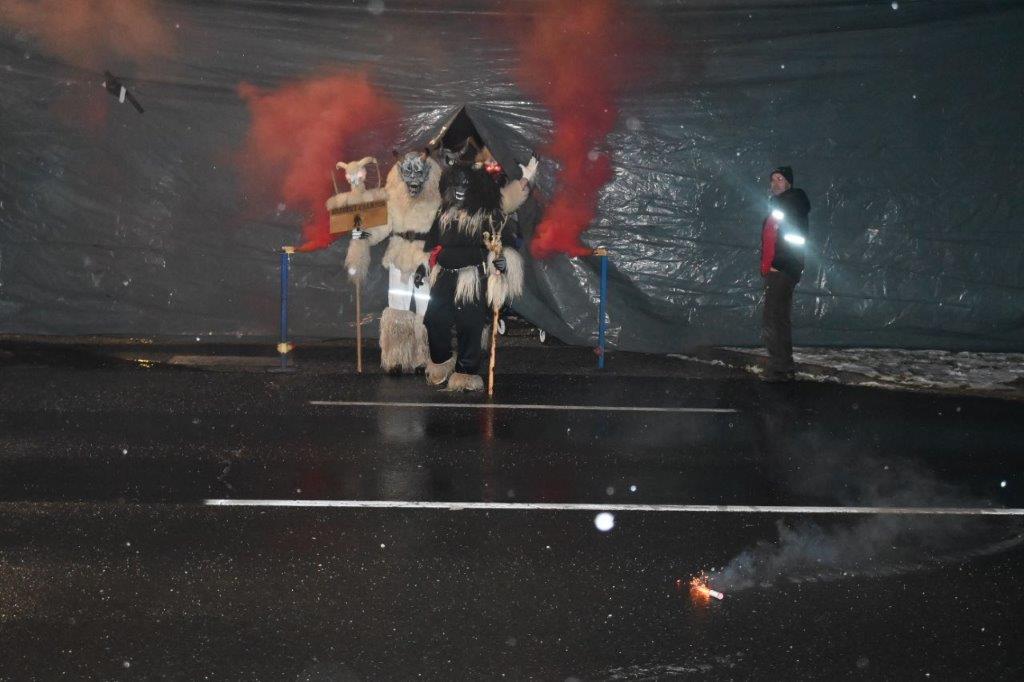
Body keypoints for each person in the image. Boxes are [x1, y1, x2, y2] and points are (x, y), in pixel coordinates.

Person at [760, 165, 810, 382]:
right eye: (773, 179)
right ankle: (783, 365)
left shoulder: (792, 203)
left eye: (780, 179)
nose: (775, 183)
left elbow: (794, 237)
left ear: (789, 182)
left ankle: (780, 366)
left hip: (783, 268)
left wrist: (778, 264)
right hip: (780, 268)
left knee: (774, 317)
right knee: (778, 317)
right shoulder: (781, 204)